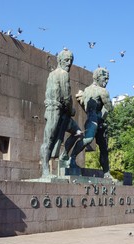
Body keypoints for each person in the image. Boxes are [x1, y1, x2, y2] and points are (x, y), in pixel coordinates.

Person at [40, 48, 81, 177]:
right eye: (66, 60)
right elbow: (66, 97)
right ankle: (45, 171)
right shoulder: (62, 74)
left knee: (78, 132)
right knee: (48, 139)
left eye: (71, 60)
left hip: (62, 113)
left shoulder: (52, 74)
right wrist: (72, 110)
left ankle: (64, 156)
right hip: (54, 110)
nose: (69, 63)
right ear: (59, 60)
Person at [67, 67, 113, 177]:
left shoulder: (87, 90)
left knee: (102, 148)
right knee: (89, 140)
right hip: (95, 119)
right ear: (97, 77)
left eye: (107, 79)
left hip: (93, 119)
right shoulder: (103, 91)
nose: (106, 82)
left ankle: (106, 172)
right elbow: (110, 108)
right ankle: (72, 158)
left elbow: (85, 103)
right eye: (104, 78)